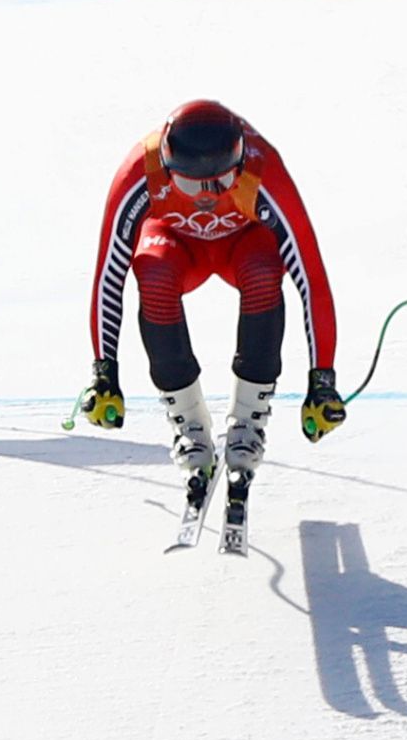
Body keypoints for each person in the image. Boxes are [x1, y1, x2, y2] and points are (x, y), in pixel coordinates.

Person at [76, 99, 346, 491]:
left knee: (263, 270)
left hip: (243, 246)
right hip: (177, 246)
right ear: (166, 165)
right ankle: (190, 426)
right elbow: (108, 275)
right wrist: (104, 373)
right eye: (189, 183)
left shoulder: (263, 167)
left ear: (240, 164)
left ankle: (248, 423)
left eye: (220, 183)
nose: (204, 195)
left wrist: (322, 379)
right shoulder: (140, 170)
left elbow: (311, 278)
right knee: (152, 275)